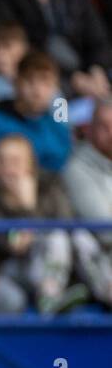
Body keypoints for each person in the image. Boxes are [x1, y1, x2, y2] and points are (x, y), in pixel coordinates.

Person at [0, 132, 78, 312]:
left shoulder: (50, 184)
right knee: (54, 239)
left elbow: (68, 226)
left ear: (31, 164)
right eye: (0, 161)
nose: (7, 169)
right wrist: (26, 207)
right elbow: (10, 244)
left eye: (15, 161)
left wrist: (30, 209)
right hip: (8, 268)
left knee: (76, 238)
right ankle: (50, 300)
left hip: (56, 262)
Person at [0, 49, 70, 171]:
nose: (37, 90)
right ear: (16, 83)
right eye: (30, 80)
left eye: (46, 82)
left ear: (55, 87)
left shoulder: (59, 130)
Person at [60, 99, 112, 309]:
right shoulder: (76, 169)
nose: (111, 133)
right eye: (104, 127)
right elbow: (106, 230)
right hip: (102, 262)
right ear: (89, 130)